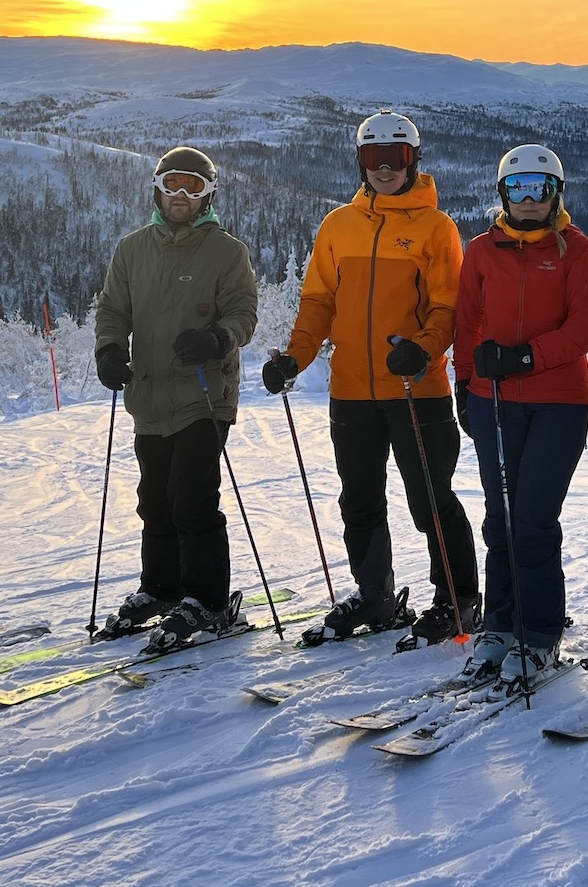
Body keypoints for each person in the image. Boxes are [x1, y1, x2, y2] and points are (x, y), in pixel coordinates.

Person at [264, 110, 480, 647]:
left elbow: (448, 308)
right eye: (373, 158)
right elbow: (318, 301)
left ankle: (456, 600)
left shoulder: (436, 228)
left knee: (430, 500)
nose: (385, 168)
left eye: (395, 157)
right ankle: (374, 595)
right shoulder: (338, 225)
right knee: (358, 501)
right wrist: (294, 358)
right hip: (352, 391)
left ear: (413, 161)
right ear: (360, 162)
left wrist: (423, 349)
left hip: (416, 389)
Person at [93, 146, 258, 648]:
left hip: (204, 395)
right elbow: (113, 310)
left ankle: (207, 601)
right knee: (155, 501)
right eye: (172, 185)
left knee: (192, 498)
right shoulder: (132, 249)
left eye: (193, 186)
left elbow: (243, 313)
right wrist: (108, 350)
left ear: (208, 194)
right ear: (157, 190)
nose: (181, 195)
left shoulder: (226, 252)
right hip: (149, 396)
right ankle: (161, 589)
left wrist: (217, 339)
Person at [453, 144, 588, 681]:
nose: (529, 198)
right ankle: (499, 623)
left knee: (534, 518)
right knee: (500, 518)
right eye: (517, 188)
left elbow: (582, 330)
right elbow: (466, 323)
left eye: (541, 187)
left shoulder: (577, 252)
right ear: (502, 194)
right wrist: (464, 384)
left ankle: (538, 632)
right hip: (492, 401)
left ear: (556, 193)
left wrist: (522, 358)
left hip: (558, 404)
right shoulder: (481, 251)